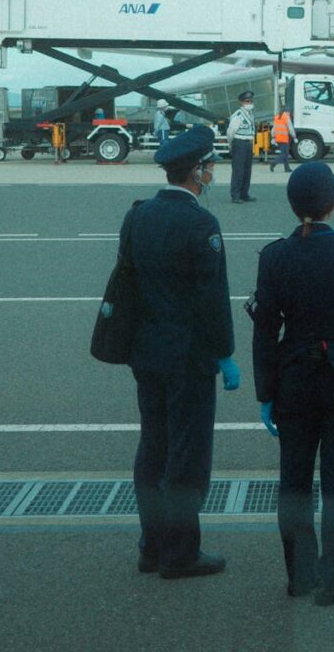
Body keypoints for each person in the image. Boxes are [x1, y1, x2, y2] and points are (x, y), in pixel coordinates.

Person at [252, 162, 334, 605]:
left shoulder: (274, 256)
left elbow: (265, 331)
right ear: (332, 204)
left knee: (293, 483)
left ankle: (299, 575)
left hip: (294, 380)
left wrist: (265, 392)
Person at [124, 125, 241, 579]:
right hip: (188, 358)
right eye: (210, 166)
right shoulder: (200, 223)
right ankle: (181, 554)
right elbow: (212, 299)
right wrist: (225, 354)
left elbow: (127, 284)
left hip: (146, 353)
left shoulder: (138, 215)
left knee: (152, 446)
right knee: (186, 457)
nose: (212, 172)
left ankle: (151, 544)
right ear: (196, 172)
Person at [226, 90, 256, 204]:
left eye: (251, 101)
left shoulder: (250, 114)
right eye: (247, 101)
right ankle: (235, 195)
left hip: (248, 143)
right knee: (238, 170)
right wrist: (231, 144)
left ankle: (244, 194)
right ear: (241, 102)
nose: (249, 103)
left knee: (247, 170)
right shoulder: (238, 115)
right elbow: (230, 132)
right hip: (239, 143)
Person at [270, 105, 296, 173]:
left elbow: (274, 128)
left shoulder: (277, 117)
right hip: (284, 138)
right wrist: (294, 136)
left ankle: (287, 168)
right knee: (284, 154)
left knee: (285, 153)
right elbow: (290, 129)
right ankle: (274, 163)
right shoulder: (286, 117)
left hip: (278, 138)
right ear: (288, 112)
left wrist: (273, 137)